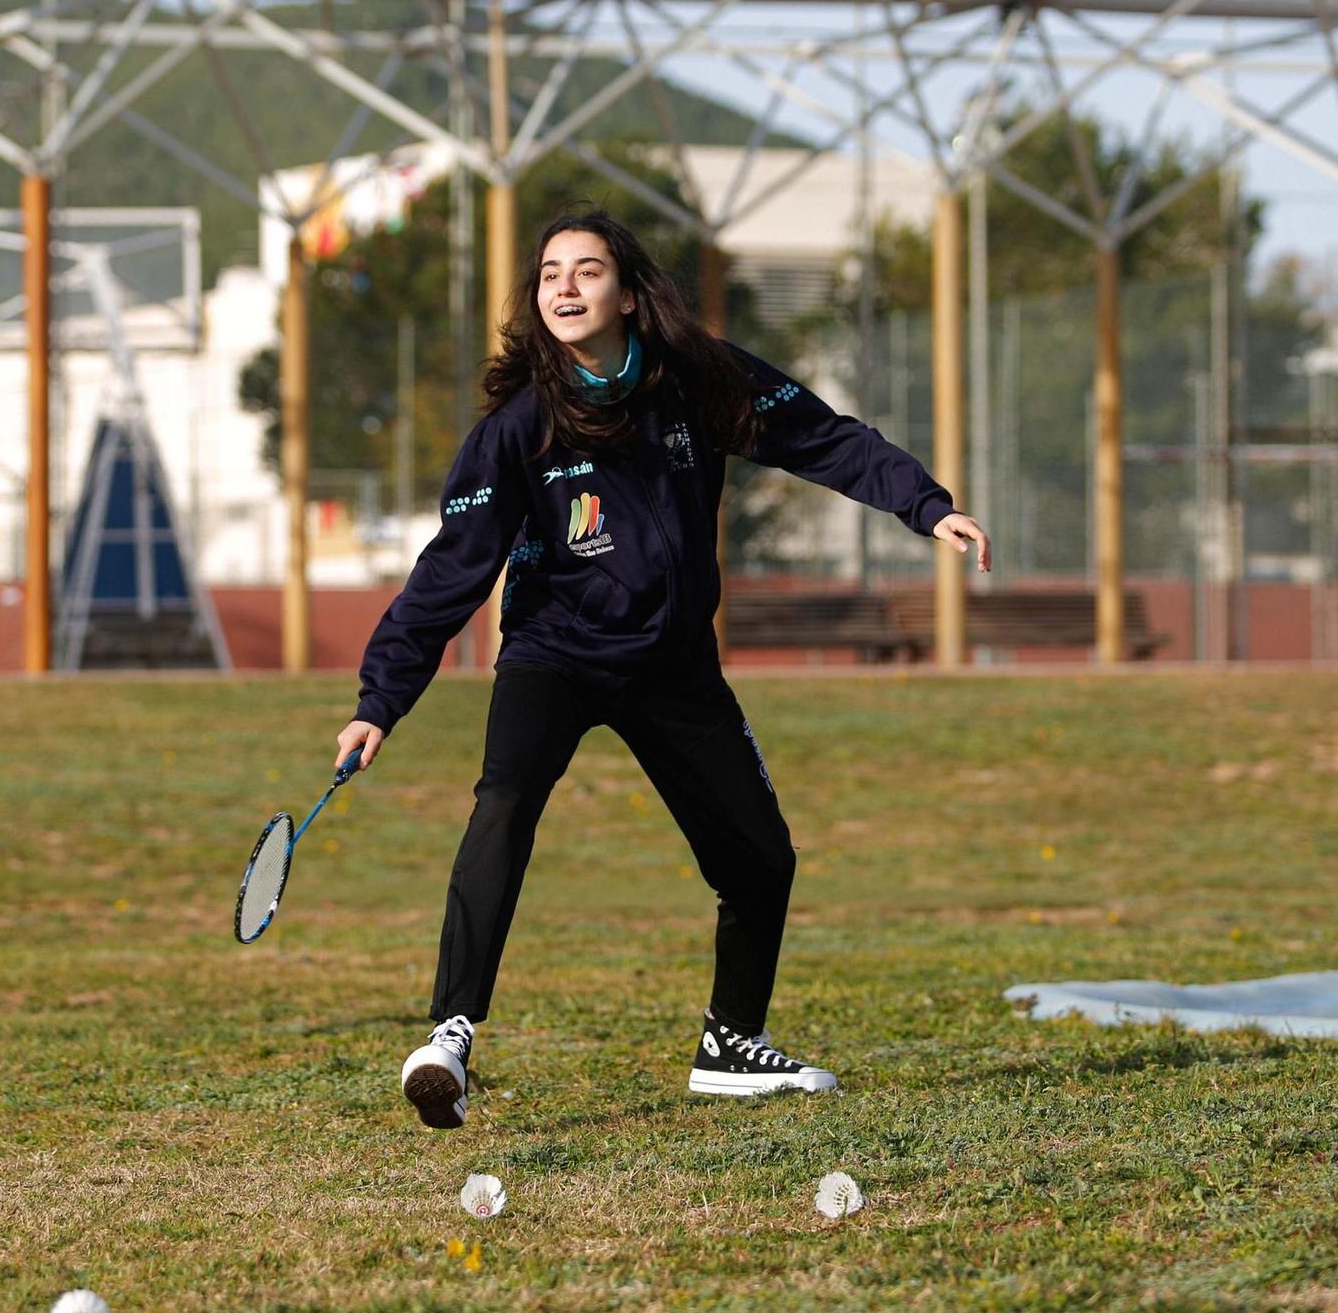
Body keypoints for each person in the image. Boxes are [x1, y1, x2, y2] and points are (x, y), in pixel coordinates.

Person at [334, 208, 991, 1131]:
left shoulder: (699, 383)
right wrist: (382, 699)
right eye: (549, 272)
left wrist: (925, 507)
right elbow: (451, 569)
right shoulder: (518, 426)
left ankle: (730, 1043)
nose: (563, 287)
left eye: (587, 271)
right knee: (505, 803)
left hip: (672, 663)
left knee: (761, 859)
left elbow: (822, 437)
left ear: (630, 294)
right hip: (554, 652)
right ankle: (449, 1033)